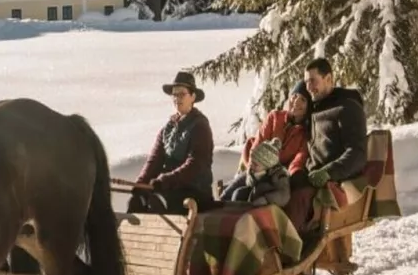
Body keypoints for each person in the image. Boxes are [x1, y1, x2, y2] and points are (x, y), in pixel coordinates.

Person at [128, 70, 215, 214]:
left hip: (195, 191)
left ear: (193, 97)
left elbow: (195, 164)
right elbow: (154, 161)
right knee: (137, 201)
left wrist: (165, 180)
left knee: (159, 202)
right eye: (174, 95)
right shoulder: (167, 129)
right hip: (169, 188)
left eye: (182, 94)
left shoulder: (200, 127)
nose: (177, 98)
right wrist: (141, 183)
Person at [218, 81, 311, 204]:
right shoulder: (275, 117)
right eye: (294, 96)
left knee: (242, 196)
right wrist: (255, 166)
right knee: (228, 194)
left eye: (303, 100)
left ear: (309, 106)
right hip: (256, 167)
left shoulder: (304, 133)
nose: (296, 102)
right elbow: (258, 142)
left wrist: (291, 176)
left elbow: (299, 159)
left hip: (275, 177)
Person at [297, 56, 368, 192]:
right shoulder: (314, 109)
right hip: (310, 177)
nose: (308, 87)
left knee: (298, 200)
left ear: (328, 78)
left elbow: (357, 153)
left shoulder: (347, 107)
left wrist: (328, 173)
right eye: (306, 82)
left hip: (334, 181)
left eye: (313, 80)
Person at [212, 137, 290, 209]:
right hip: (251, 204)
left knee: (263, 187)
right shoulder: (252, 172)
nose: (251, 166)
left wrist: (266, 199)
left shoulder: (278, 175)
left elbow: (284, 195)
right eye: (252, 162)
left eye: (256, 164)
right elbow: (237, 183)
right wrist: (223, 198)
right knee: (238, 193)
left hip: (268, 209)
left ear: (267, 165)